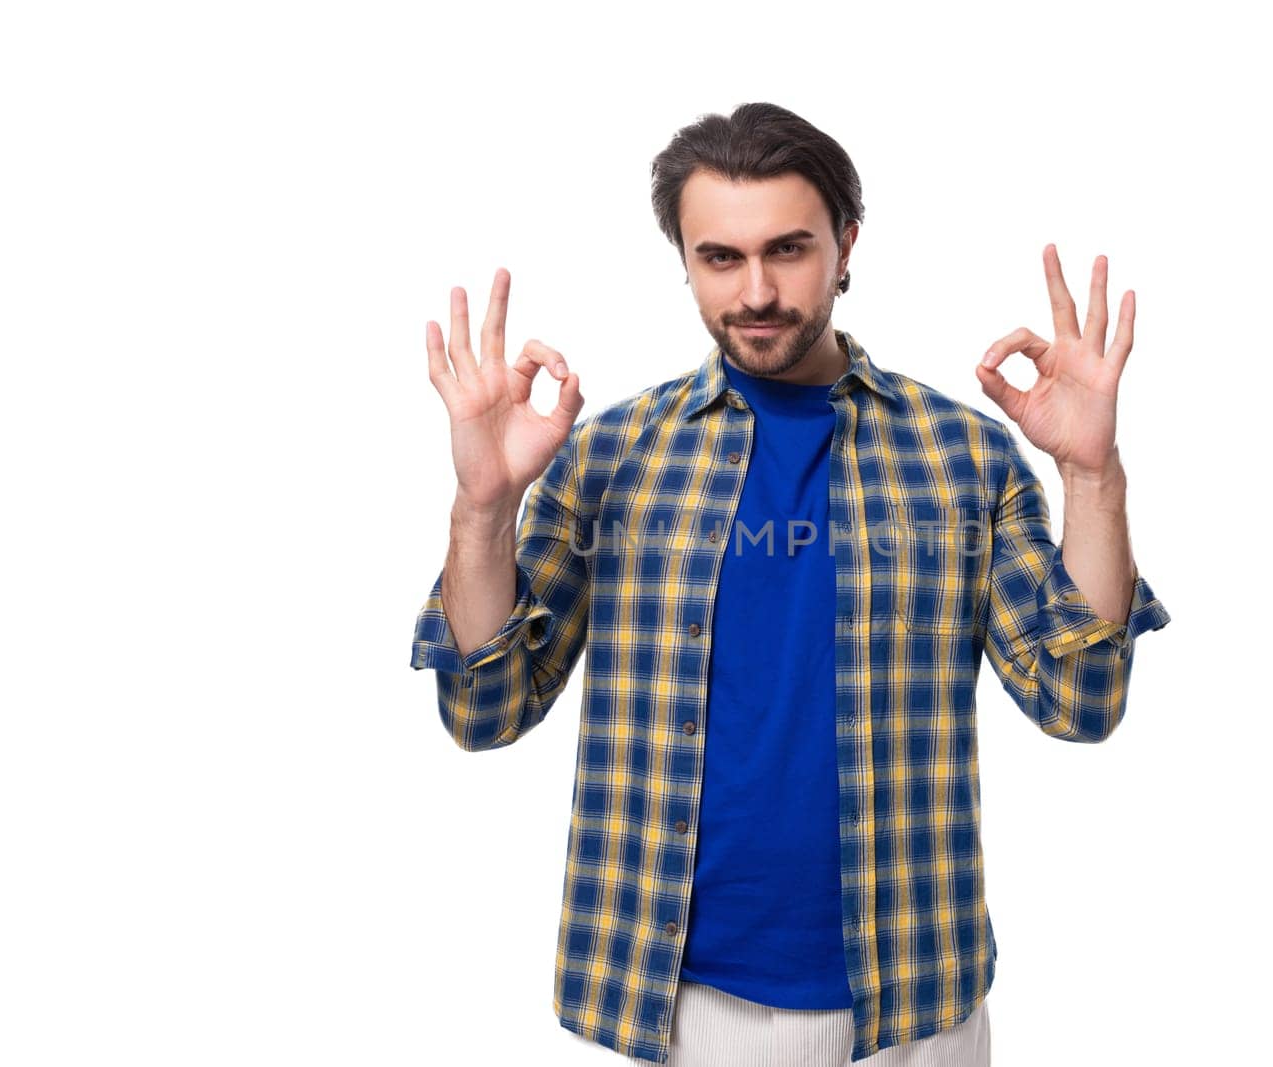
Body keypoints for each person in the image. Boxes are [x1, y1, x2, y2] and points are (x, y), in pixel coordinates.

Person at [409, 102, 1171, 1066]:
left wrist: (1094, 478)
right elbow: (485, 708)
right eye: (720, 257)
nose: (758, 291)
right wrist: (482, 509)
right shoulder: (610, 454)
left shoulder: (963, 458)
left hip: (916, 1003)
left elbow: (1083, 700)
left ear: (846, 245)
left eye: (789, 250)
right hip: (677, 1000)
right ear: (684, 262)